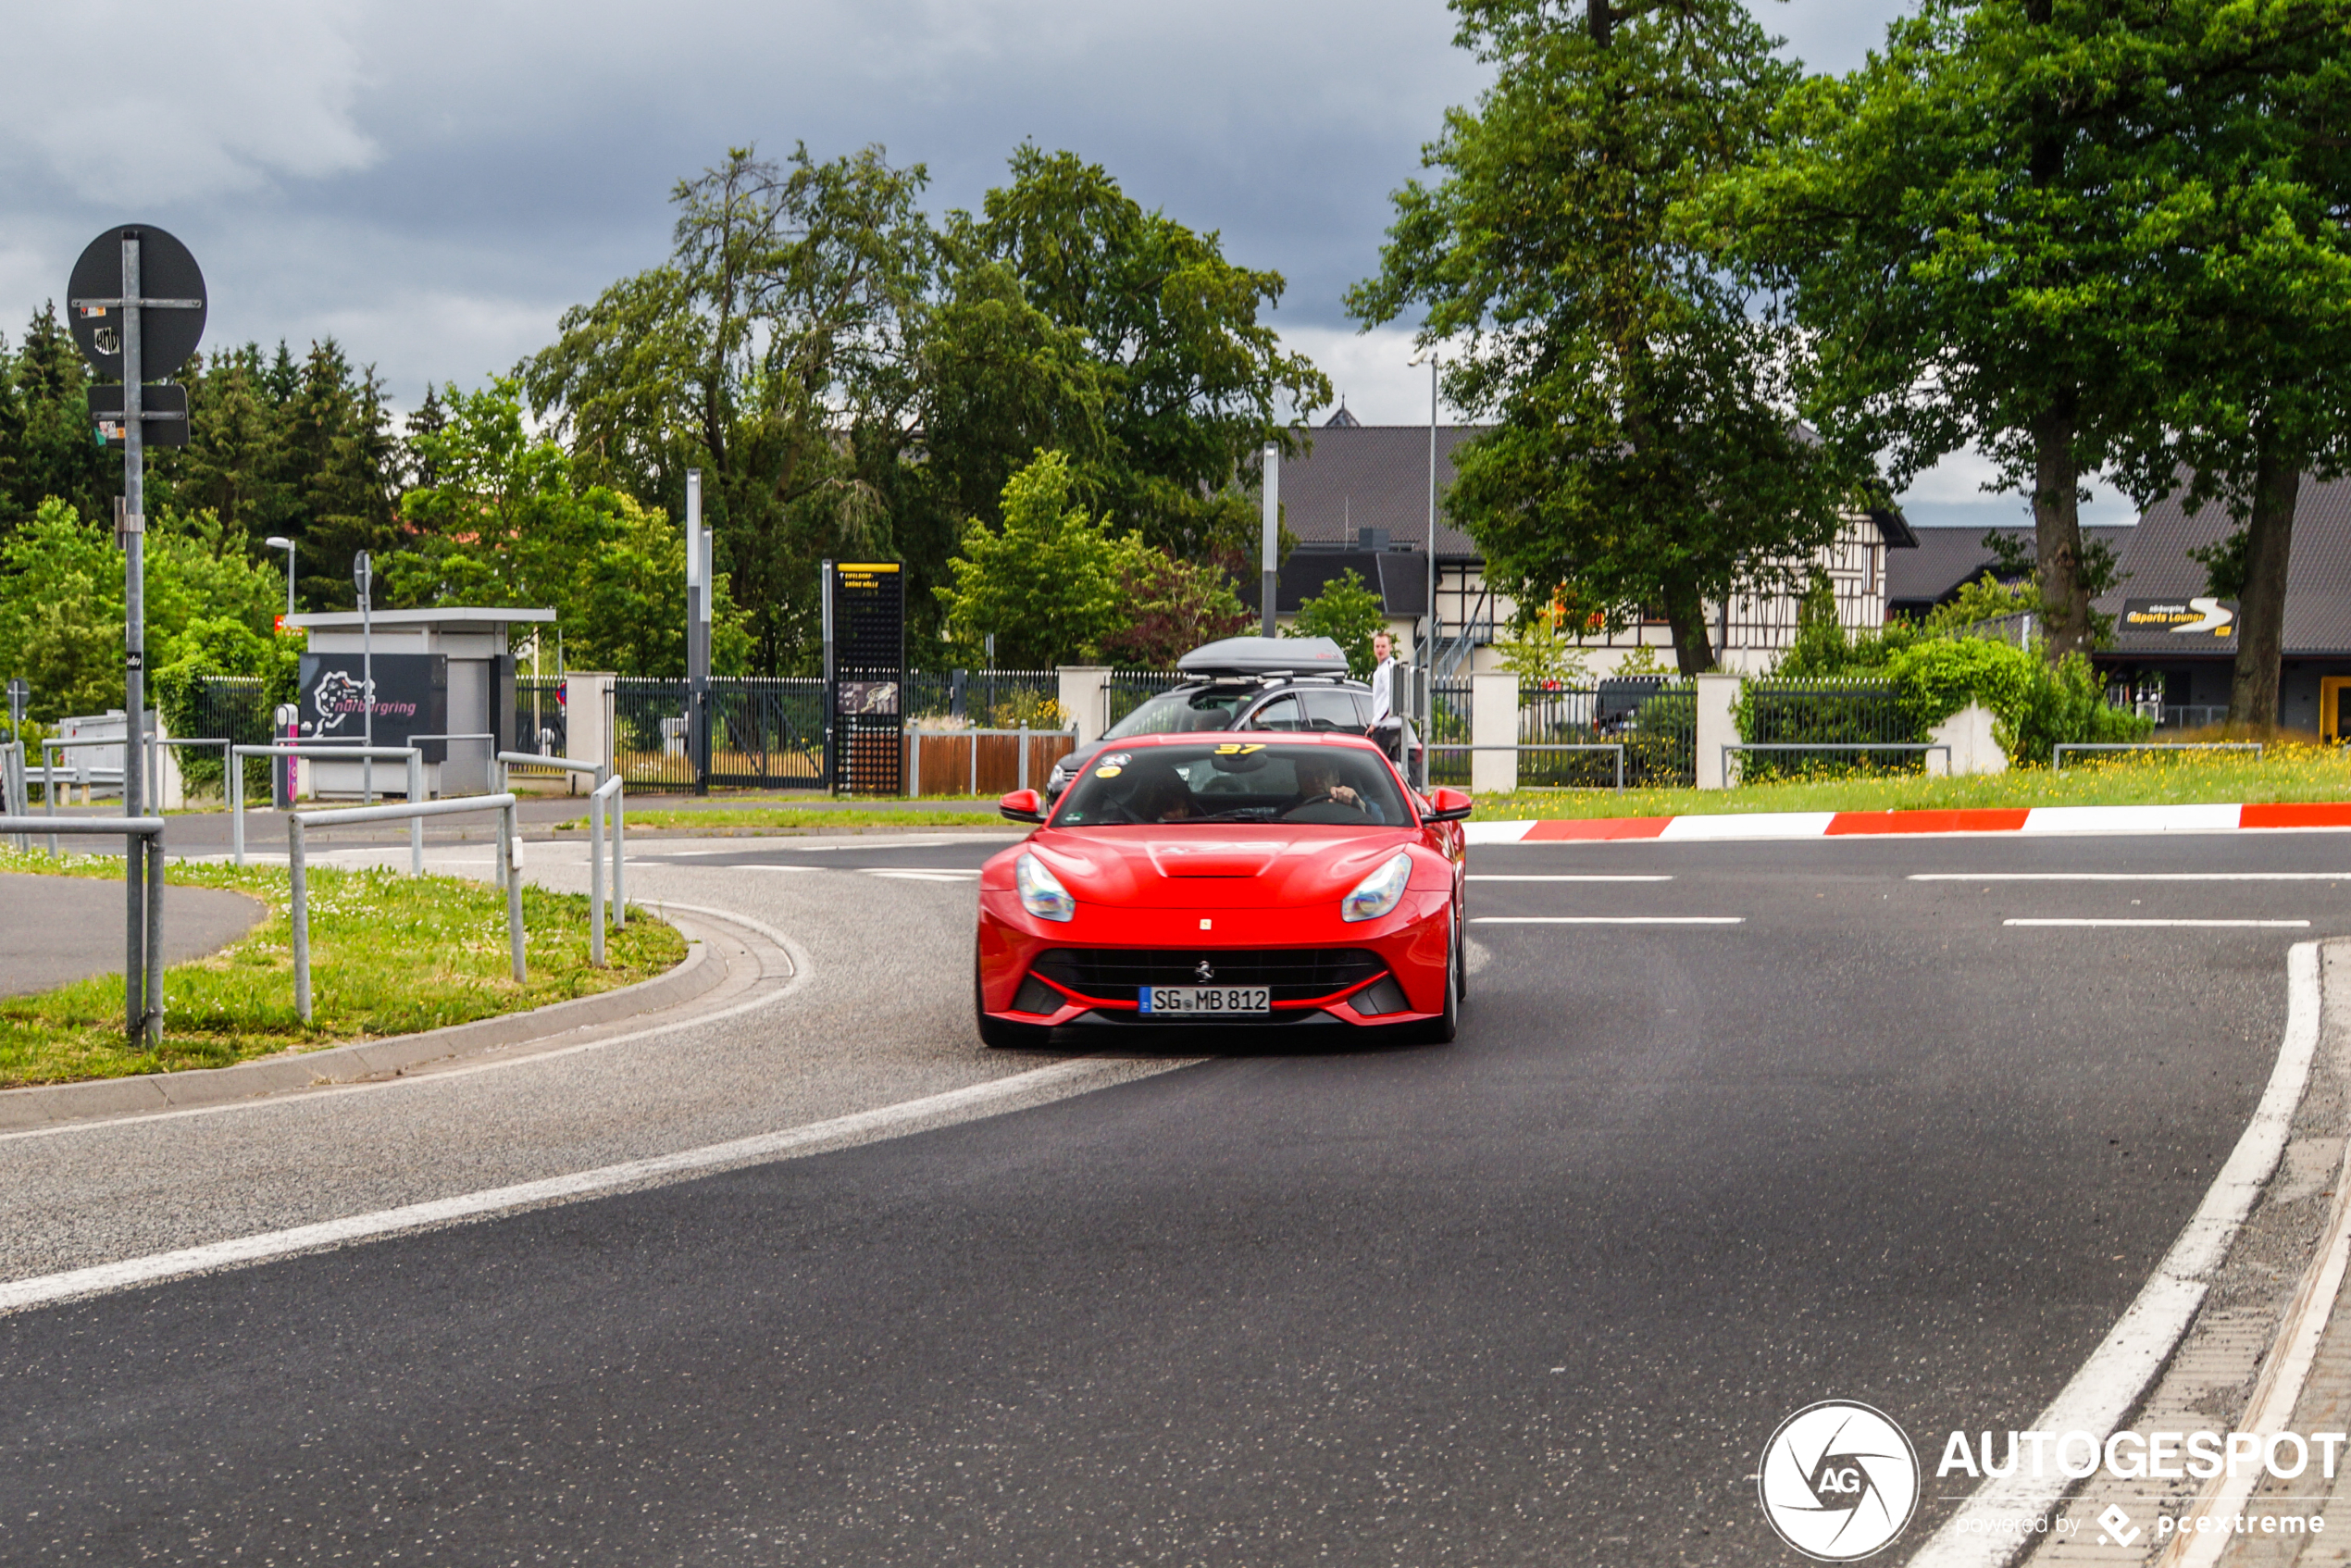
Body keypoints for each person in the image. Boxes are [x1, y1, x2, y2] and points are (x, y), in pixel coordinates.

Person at [1368, 630, 1398, 724]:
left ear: (1390, 647)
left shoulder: (1388, 669)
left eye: (1383, 646)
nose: (1380, 650)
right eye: (1377, 646)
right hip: (1386, 725)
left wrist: (1375, 722)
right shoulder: (1382, 668)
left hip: (1389, 726)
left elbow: (1391, 699)